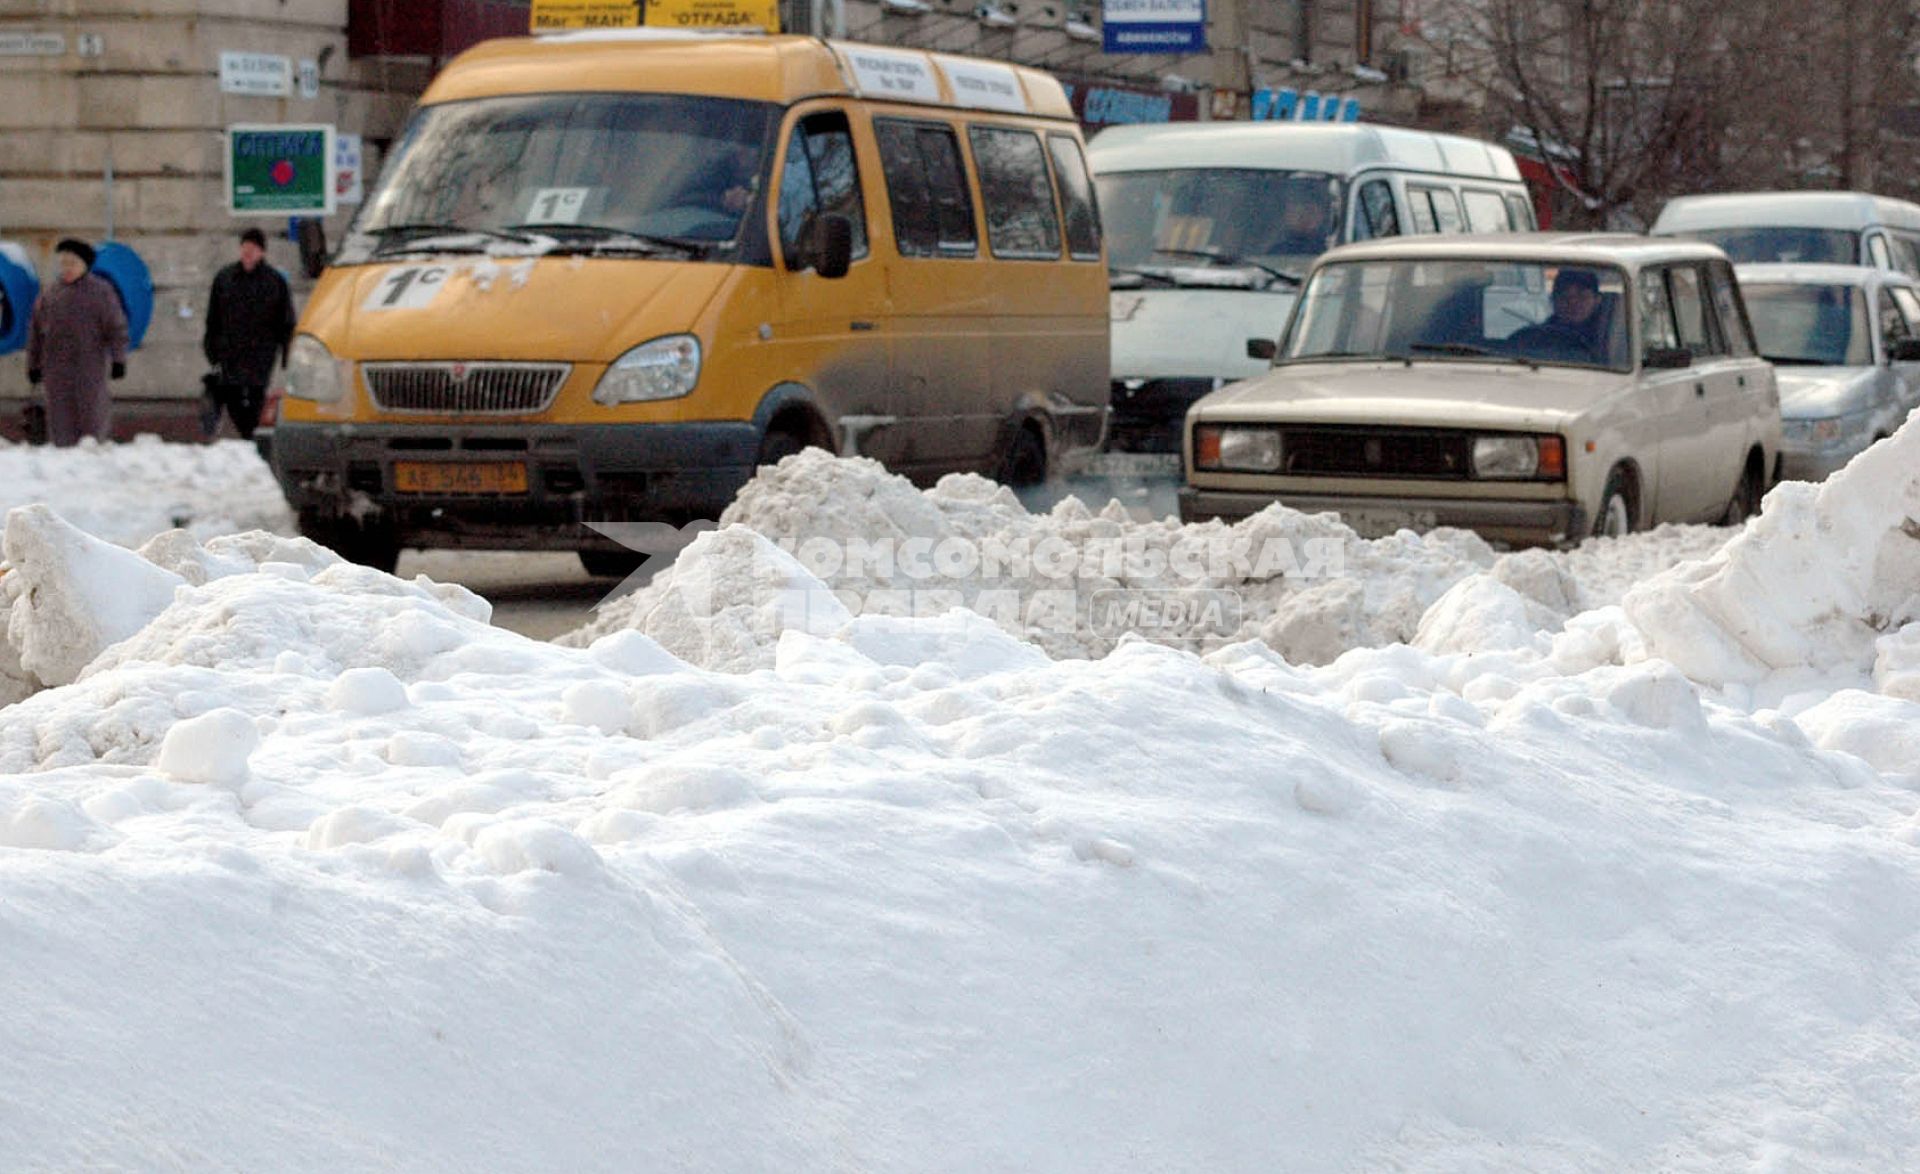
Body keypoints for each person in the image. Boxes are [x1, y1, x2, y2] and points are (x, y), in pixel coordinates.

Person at [25, 238, 128, 447]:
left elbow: (116, 328)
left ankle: (91, 461)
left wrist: (119, 359)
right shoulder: (50, 294)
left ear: (85, 265)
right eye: (63, 263)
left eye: (72, 263)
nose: (67, 268)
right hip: (55, 371)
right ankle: (64, 465)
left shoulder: (101, 292)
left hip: (89, 369)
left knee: (91, 419)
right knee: (60, 422)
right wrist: (33, 366)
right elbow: (35, 334)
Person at [202, 227, 296, 439]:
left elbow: (286, 321)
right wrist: (211, 348)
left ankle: (250, 438)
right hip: (230, 352)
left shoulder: (274, 282)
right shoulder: (225, 278)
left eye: (253, 248)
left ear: (262, 252)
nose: (248, 252)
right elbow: (213, 318)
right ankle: (248, 436)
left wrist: (286, 356)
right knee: (233, 397)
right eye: (245, 247)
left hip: (260, 353)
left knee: (255, 396)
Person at [1508, 267, 1606, 361]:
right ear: (1553, 300)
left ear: (1597, 300)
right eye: (1564, 296)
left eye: (1582, 296)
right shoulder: (1531, 337)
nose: (1572, 302)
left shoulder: (1609, 338)